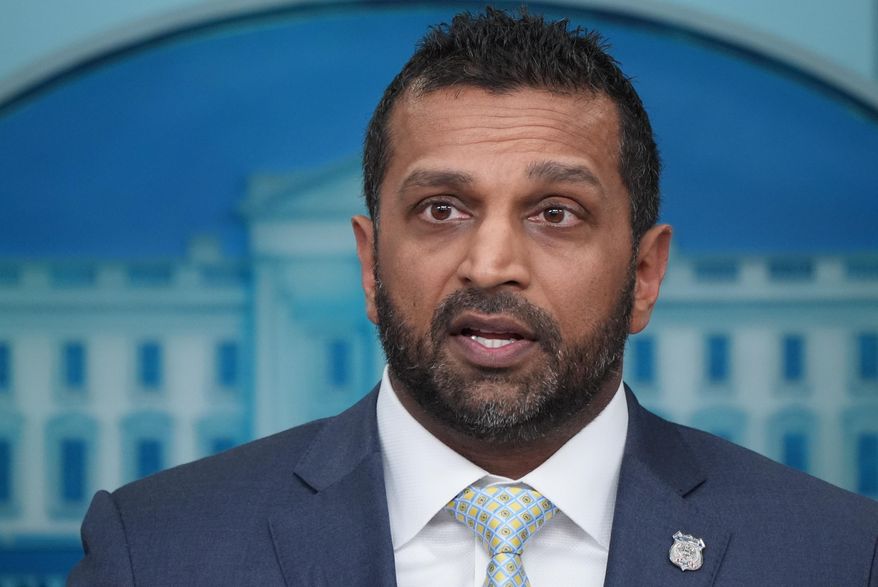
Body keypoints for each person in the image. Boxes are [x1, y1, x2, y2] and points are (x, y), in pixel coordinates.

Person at [69, 8, 877, 586]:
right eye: (441, 209)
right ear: (369, 265)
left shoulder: (838, 555)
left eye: (556, 213)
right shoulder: (158, 551)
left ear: (643, 275)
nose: (490, 264)